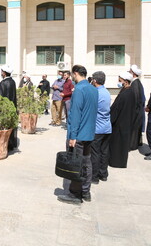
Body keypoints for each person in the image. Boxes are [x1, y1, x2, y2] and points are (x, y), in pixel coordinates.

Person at [57, 65, 98, 204]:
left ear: (75, 74)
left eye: (72, 75)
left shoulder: (79, 89)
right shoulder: (93, 89)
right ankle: (86, 192)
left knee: (76, 164)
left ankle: (75, 193)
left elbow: (75, 114)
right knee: (86, 163)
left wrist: (73, 136)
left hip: (79, 134)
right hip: (89, 133)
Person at [109, 72, 136, 168]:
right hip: (124, 122)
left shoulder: (126, 93)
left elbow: (116, 108)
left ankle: (117, 162)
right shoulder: (127, 91)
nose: (119, 81)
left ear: (125, 81)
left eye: (120, 79)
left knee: (118, 144)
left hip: (121, 123)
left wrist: (110, 120)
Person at [90, 71, 112, 184]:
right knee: (104, 152)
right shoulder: (106, 92)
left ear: (94, 80)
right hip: (107, 127)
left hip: (98, 128)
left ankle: (94, 176)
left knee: (95, 153)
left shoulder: (96, 93)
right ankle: (103, 174)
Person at [0, 64, 18, 151]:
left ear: (4, 73)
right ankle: (11, 144)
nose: (1, 73)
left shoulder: (3, 83)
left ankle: (5, 145)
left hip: (4, 109)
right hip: (12, 108)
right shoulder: (12, 82)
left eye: (2, 72)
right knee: (10, 127)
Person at [129, 64, 145, 150]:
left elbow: (135, 99)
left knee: (135, 129)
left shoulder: (135, 84)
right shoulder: (136, 82)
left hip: (136, 111)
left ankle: (133, 145)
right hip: (138, 110)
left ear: (133, 73)